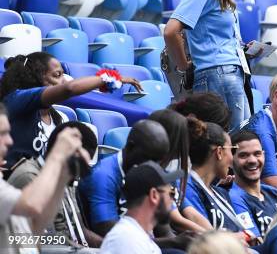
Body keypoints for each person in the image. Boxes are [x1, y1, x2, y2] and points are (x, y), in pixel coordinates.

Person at [164, 0, 256, 132]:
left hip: (225, 72)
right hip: (218, 73)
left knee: (239, 141)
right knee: (230, 142)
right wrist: (183, 66)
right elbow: (170, 31)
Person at [0, 52, 141, 171]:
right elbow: (70, 88)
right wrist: (108, 79)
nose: (64, 80)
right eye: (57, 75)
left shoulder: (57, 117)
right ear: (36, 77)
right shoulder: (17, 99)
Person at [0, 103, 91, 253]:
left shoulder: (60, 176)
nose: (9, 141)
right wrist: (57, 155)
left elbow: (32, 235)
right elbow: (33, 207)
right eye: (2, 134)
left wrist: (63, 177)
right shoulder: (29, 176)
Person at [79, 119, 169, 236]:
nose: (153, 166)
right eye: (148, 158)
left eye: (158, 161)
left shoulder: (149, 172)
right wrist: (174, 242)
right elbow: (109, 232)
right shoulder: (103, 175)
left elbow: (164, 230)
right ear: (131, 147)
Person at [181, 117, 252, 245]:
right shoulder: (188, 188)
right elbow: (206, 239)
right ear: (219, 152)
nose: (232, 158)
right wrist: (239, 238)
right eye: (232, 150)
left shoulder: (219, 191)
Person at [100, 161, 182, 254]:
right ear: (154, 195)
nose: (172, 201)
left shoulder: (138, 238)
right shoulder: (127, 240)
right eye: (171, 194)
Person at [149, 109, 209, 234]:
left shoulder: (173, 174)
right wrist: (212, 238)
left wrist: (218, 235)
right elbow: (176, 220)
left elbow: (190, 212)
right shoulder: (151, 174)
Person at [229, 130, 277, 239]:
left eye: (257, 154)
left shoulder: (274, 193)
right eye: (243, 155)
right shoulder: (234, 198)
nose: (252, 160)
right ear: (230, 161)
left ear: (264, 156)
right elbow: (255, 240)